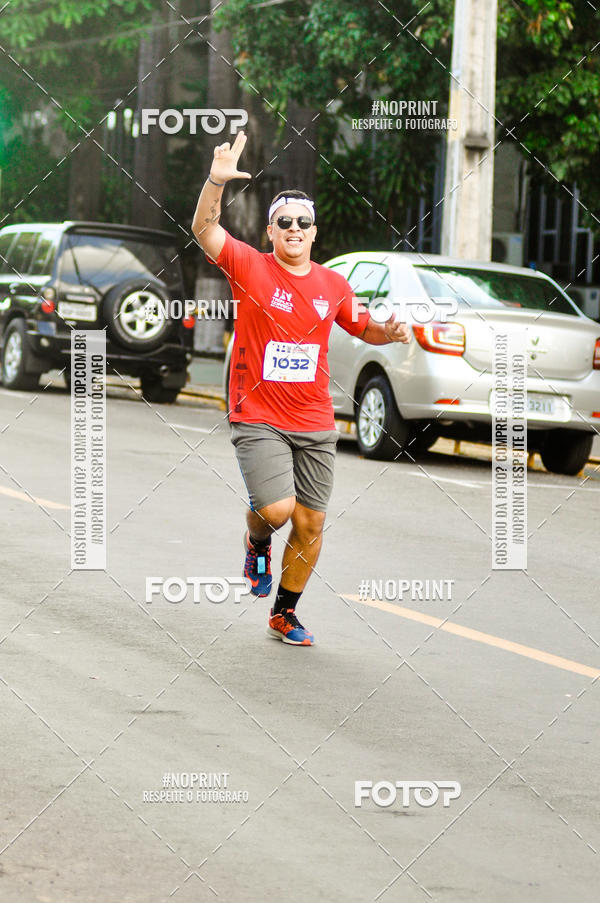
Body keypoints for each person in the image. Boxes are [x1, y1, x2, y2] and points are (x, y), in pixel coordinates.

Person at [192, 131, 410, 646]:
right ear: (270, 231)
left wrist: (390, 331)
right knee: (276, 510)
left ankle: (283, 613)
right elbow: (204, 229)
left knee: (310, 523)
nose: (294, 229)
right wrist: (215, 181)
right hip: (258, 413)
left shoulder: (334, 285)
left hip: (315, 419)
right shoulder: (249, 266)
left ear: (315, 232)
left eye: (303, 222)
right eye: (284, 221)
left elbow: (363, 327)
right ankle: (256, 538)